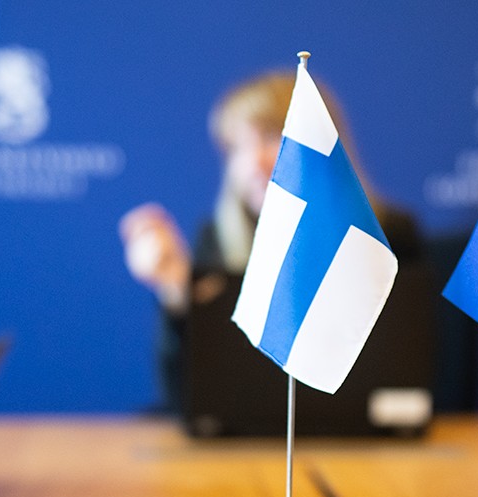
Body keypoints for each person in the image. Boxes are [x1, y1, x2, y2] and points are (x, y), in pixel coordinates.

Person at [120, 71, 424, 414]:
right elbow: (192, 404)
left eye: (271, 137)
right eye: (237, 147)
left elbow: (405, 371)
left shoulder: (387, 235)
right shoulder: (215, 239)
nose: (253, 163)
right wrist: (176, 290)